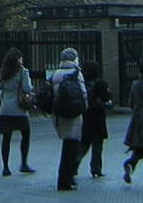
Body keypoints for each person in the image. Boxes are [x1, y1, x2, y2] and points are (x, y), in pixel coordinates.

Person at [50, 47, 87, 191]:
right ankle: (65, 181)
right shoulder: (77, 73)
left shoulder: (56, 73)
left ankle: (65, 179)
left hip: (59, 113)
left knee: (67, 143)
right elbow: (83, 95)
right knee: (70, 148)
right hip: (74, 113)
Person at [0, 47, 35, 176]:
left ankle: (5, 167)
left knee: (6, 138)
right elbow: (27, 88)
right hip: (19, 110)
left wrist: (3, 97)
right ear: (18, 59)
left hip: (5, 109)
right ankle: (24, 163)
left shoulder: (4, 72)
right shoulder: (23, 71)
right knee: (26, 134)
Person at [78, 60, 112, 178]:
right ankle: (96, 168)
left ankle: (73, 165)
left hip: (86, 116)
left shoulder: (82, 83)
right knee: (97, 144)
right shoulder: (101, 83)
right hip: (98, 117)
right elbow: (107, 99)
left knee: (84, 144)